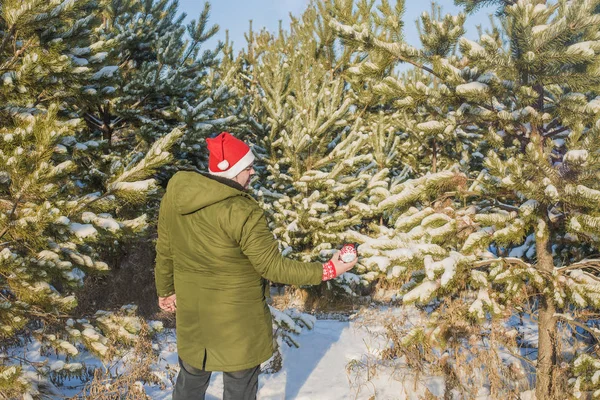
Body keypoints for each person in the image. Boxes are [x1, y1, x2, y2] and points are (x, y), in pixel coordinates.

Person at [154, 132, 358, 400]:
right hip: (239, 322)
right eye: (248, 167)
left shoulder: (176, 195)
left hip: (194, 315)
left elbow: (165, 248)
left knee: (191, 379)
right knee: (239, 386)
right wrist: (328, 270)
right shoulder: (243, 211)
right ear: (233, 170)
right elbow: (273, 267)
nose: (252, 172)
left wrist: (165, 290)